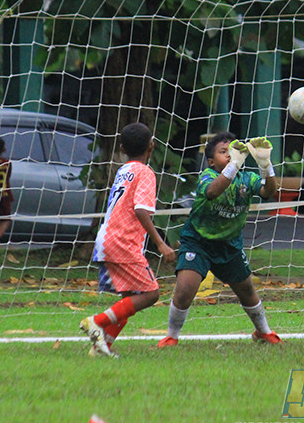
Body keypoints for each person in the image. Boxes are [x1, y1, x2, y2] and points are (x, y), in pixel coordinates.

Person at [158, 132, 281, 347]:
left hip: (229, 244)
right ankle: (171, 336)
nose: (230, 155)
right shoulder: (207, 176)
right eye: (224, 152)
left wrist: (265, 165)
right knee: (186, 288)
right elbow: (212, 193)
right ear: (211, 161)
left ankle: (263, 332)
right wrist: (233, 165)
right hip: (198, 241)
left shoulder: (247, 179)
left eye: (233, 151)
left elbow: (269, 191)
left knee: (247, 290)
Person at [79, 122, 176, 358]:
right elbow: (142, 210)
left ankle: (102, 348)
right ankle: (96, 321)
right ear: (151, 147)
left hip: (107, 238)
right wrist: (161, 243)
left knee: (130, 299)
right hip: (123, 240)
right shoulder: (145, 173)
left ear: (122, 148)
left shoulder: (124, 170)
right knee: (151, 294)